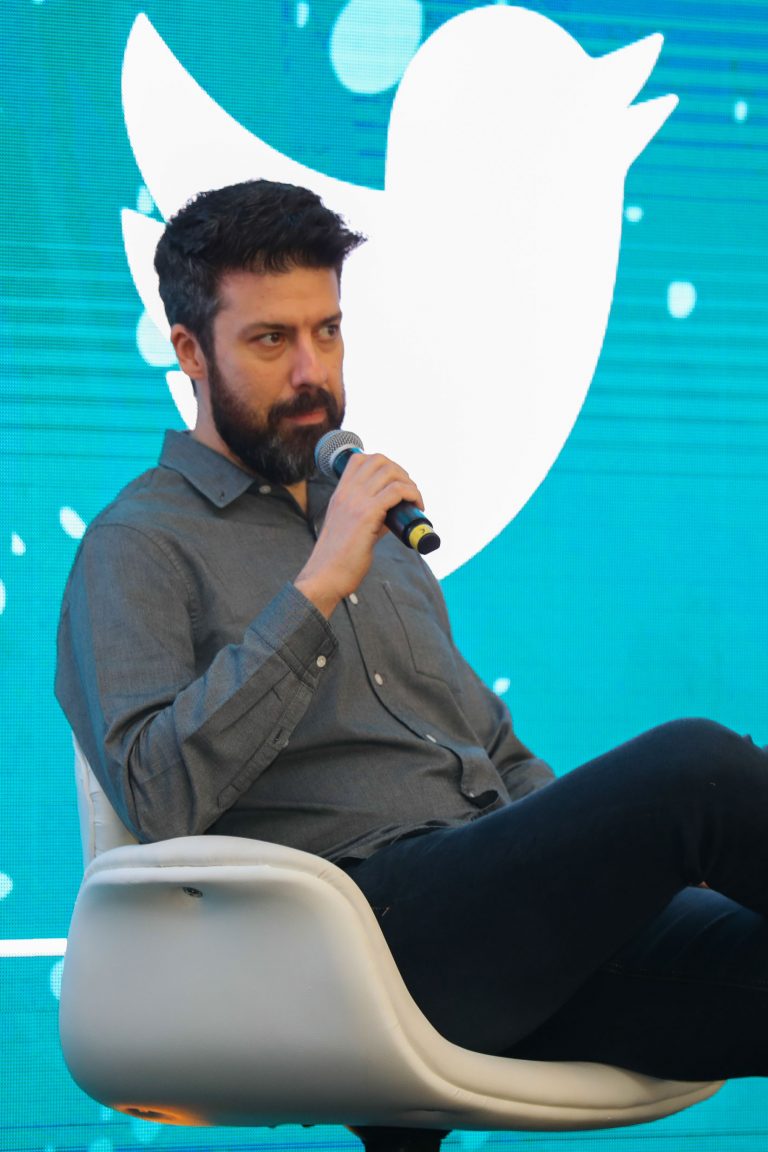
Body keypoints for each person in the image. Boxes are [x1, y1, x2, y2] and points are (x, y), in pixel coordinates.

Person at [56, 180, 768, 1110]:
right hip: (350, 938)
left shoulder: (381, 539)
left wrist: (613, 869)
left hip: (499, 933)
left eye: (327, 331)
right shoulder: (139, 544)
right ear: (190, 351)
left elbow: (497, 755)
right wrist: (316, 589)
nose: (311, 371)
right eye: (271, 340)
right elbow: (155, 798)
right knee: (697, 771)